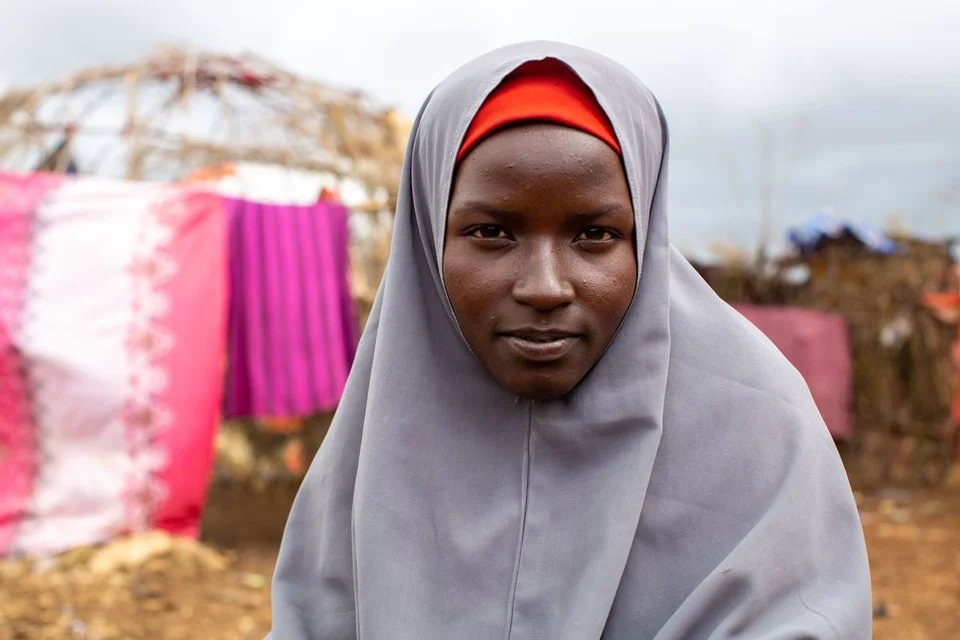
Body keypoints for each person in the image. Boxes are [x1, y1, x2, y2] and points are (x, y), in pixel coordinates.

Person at [267, 41, 872, 639]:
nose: (545, 287)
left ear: (645, 236)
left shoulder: (760, 431)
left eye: (595, 235)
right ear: (428, 238)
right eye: (490, 232)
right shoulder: (371, 440)